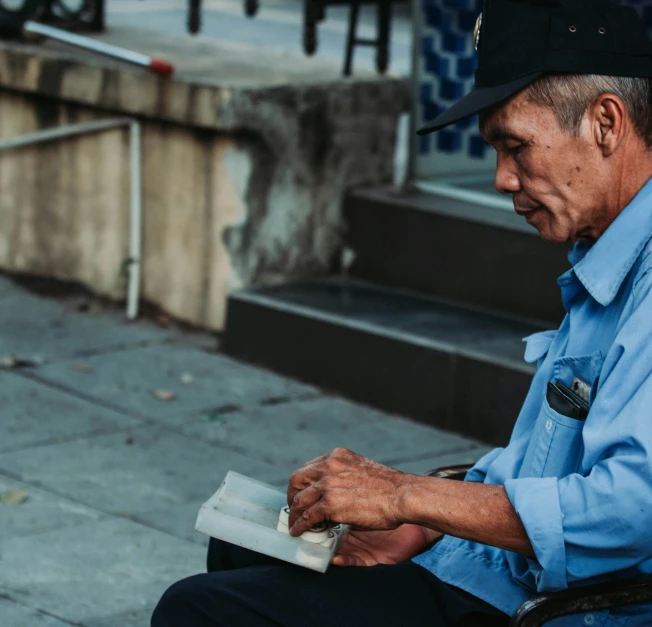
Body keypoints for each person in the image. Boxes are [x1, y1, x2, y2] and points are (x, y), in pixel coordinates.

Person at [151, 0, 652, 625]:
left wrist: (405, 495)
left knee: (200, 612)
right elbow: (542, 458)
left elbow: (631, 510)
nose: (501, 179)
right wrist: (422, 523)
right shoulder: (604, 245)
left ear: (606, 123)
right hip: (495, 571)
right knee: (243, 540)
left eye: (515, 146)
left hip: (554, 608)